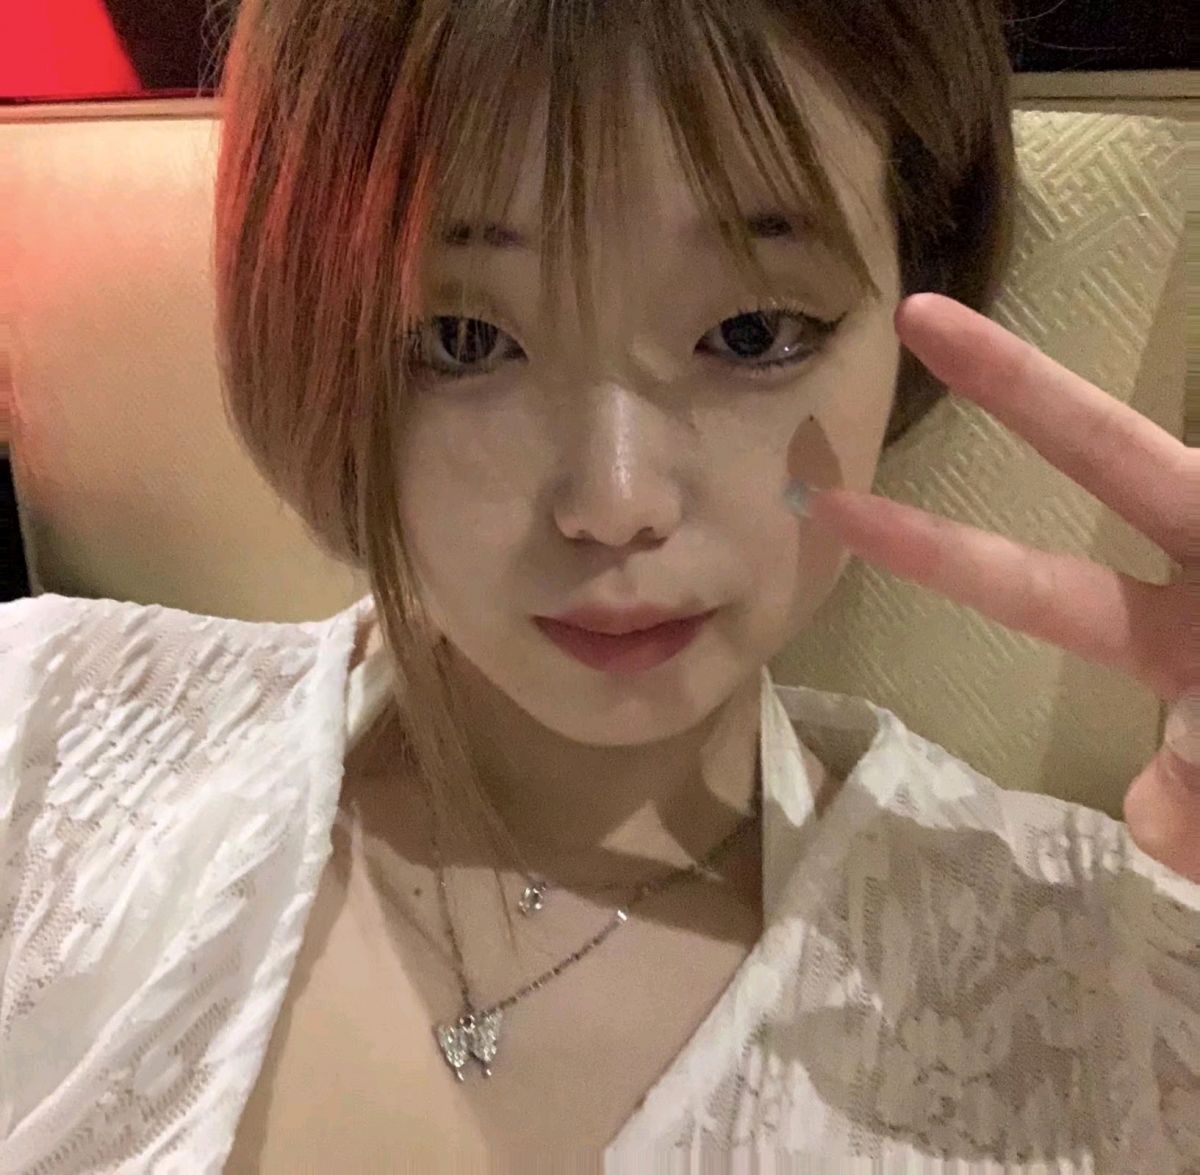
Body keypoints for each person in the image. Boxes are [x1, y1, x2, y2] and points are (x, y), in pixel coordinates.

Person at [1, 0, 1196, 1170]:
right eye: (464, 338)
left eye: (752, 331)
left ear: (913, 312)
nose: (616, 501)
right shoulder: (41, 738)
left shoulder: (1103, 973)